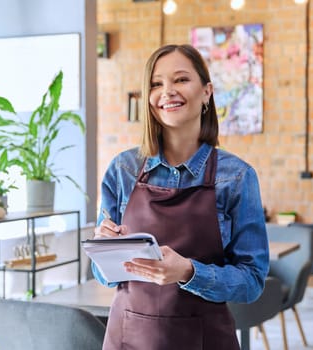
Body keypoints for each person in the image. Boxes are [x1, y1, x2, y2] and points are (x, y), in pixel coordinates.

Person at [92, 44, 269, 350]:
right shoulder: (122, 170)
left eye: (181, 80)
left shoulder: (237, 177)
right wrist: (104, 248)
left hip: (206, 340)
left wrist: (189, 272)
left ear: (206, 92)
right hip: (129, 338)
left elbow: (252, 282)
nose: (168, 91)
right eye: (156, 83)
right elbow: (103, 276)